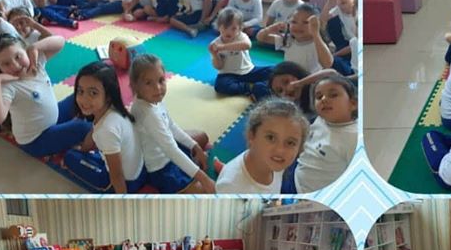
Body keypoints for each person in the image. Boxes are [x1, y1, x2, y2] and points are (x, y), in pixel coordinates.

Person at [0, 33, 90, 157]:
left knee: (80, 97)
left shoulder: (36, 63)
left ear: (25, 51)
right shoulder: (8, 86)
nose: (15, 65)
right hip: (36, 140)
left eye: (18, 56)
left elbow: (60, 41)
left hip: (53, 120)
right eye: (6, 64)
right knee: (83, 128)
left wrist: (35, 47)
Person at [129, 54, 215, 193]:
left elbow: (171, 126)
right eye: (148, 83)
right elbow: (171, 150)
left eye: (161, 80)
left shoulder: (153, 98)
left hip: (168, 147)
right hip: (161, 168)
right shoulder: (148, 114)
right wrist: (204, 179)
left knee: (202, 137)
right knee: (202, 191)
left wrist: (195, 146)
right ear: (135, 86)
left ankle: (192, 164)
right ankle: (191, 171)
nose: (158, 88)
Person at [65, 62, 146, 193]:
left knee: (69, 157)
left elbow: (117, 176)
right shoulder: (114, 109)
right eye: (80, 91)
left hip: (128, 181)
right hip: (140, 168)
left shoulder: (106, 131)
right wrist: (84, 148)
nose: (84, 99)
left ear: (108, 95)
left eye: (93, 93)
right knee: (92, 147)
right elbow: (94, 129)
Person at [216, 98, 308, 194]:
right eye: (271, 137)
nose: (280, 150)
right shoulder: (231, 187)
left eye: (290, 143)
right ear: (251, 136)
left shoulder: (275, 163)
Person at [292, 76, 358, 194]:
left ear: (353, 103)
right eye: (318, 97)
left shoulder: (353, 137)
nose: (324, 99)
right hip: (296, 173)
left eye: (333, 95)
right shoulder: (320, 119)